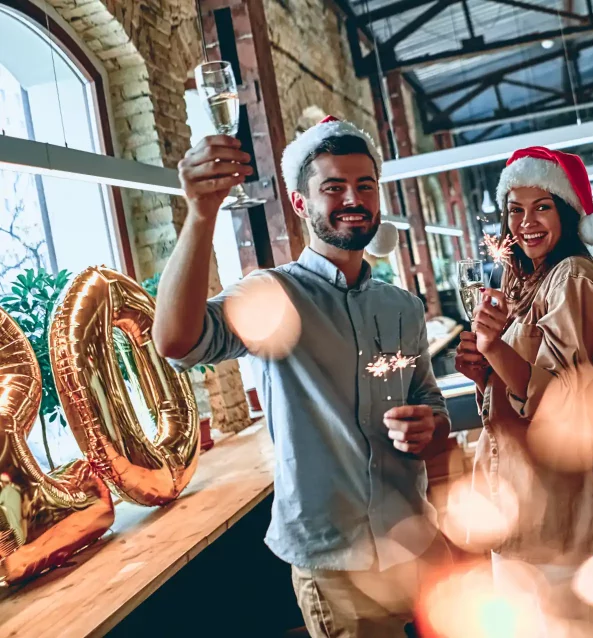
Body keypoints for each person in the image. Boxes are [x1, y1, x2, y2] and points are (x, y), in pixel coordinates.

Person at [154, 116, 451, 637]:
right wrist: (201, 215)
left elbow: (431, 403)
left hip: (419, 541)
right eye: (332, 188)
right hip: (337, 565)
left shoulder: (402, 306)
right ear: (300, 203)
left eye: (364, 185)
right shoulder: (270, 296)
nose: (352, 199)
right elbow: (177, 342)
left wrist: (431, 426)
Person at [454, 147, 593, 635]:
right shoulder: (529, 282)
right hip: (523, 509)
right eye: (515, 209)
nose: (526, 222)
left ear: (569, 213)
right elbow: (521, 384)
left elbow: (562, 399)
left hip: (563, 514)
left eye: (542, 206)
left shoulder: (572, 278)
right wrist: (484, 370)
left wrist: (493, 346)